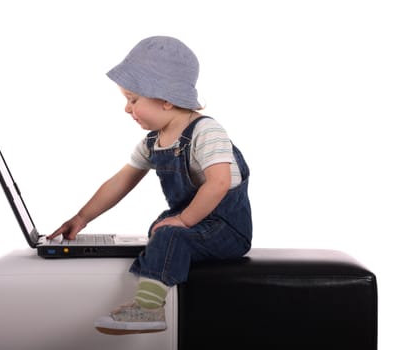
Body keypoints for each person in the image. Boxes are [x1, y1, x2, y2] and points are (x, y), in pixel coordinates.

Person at [47, 36, 252, 335]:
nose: (127, 109)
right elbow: (122, 180)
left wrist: (182, 220)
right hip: (197, 225)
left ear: (165, 97)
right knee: (159, 227)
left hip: (226, 229)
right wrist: (81, 217)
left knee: (169, 232)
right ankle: (153, 282)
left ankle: (149, 309)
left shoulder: (207, 131)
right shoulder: (153, 141)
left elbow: (219, 182)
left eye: (132, 99)